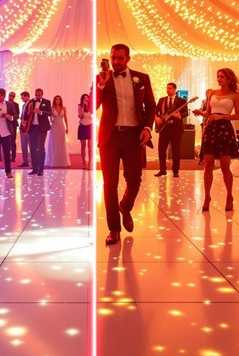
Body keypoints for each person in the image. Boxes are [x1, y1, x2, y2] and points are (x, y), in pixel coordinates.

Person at [96, 43, 154, 245]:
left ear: (128, 58)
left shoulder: (142, 78)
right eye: (113, 58)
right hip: (109, 138)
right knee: (109, 184)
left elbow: (151, 106)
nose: (116, 62)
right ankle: (114, 229)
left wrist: (147, 128)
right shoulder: (101, 79)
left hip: (133, 136)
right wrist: (101, 85)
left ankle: (126, 207)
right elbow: (92, 105)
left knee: (134, 180)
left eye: (120, 58)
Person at [193, 69, 239, 210]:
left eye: (222, 77)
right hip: (211, 128)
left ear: (228, 79)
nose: (219, 79)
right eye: (218, 76)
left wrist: (222, 116)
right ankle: (207, 196)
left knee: (225, 166)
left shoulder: (235, 95)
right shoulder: (212, 93)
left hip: (225, 129)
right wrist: (200, 113)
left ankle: (229, 196)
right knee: (208, 164)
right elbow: (208, 113)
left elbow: (238, 115)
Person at [154, 83, 187, 177]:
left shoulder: (182, 100)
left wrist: (180, 116)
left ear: (175, 89)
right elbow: (155, 111)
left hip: (176, 129)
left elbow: (185, 113)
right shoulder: (162, 100)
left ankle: (175, 171)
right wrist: (156, 118)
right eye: (167, 88)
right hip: (164, 129)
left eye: (170, 88)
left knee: (176, 151)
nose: (168, 90)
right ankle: (162, 170)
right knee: (161, 150)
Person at [0, 88, 18, 177]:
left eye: (0, 95)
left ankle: (8, 171)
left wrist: (10, 117)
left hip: (6, 132)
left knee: (7, 153)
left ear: (4, 96)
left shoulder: (10, 105)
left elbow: (16, 116)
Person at [26, 88, 52, 175]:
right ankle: (34, 168)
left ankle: (41, 169)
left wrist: (40, 112)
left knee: (40, 148)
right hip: (32, 127)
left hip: (42, 128)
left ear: (42, 94)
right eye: (36, 95)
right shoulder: (31, 102)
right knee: (32, 148)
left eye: (39, 95)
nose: (37, 96)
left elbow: (49, 113)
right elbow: (26, 112)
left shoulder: (47, 102)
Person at [46, 95, 70, 167]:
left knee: (61, 143)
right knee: (53, 143)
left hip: (61, 127)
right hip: (54, 127)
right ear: (54, 100)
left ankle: (62, 161)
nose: (57, 101)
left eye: (59, 100)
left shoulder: (64, 108)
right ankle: (52, 161)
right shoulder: (52, 108)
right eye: (56, 99)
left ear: (60, 100)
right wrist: (51, 120)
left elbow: (65, 118)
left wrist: (67, 127)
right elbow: (50, 116)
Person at [77, 93, 93, 170]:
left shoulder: (91, 106)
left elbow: (92, 115)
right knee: (83, 145)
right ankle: (84, 162)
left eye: (87, 98)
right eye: (84, 98)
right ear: (82, 99)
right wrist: (83, 106)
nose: (86, 99)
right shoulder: (80, 106)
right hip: (82, 126)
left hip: (89, 126)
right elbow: (80, 116)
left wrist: (88, 106)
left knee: (90, 146)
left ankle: (90, 163)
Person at [18, 91, 32, 167]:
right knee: (23, 145)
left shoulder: (31, 104)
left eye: (22, 97)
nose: (21, 98)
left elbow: (30, 116)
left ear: (27, 96)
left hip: (29, 128)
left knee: (31, 145)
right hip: (22, 127)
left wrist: (26, 121)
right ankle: (25, 162)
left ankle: (32, 161)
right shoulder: (23, 105)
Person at [8, 91, 19, 162]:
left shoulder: (16, 104)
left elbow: (17, 115)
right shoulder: (5, 103)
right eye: (10, 95)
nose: (11, 97)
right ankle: (7, 156)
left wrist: (11, 117)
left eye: (13, 96)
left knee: (13, 141)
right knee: (6, 141)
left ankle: (13, 157)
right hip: (5, 124)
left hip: (13, 124)